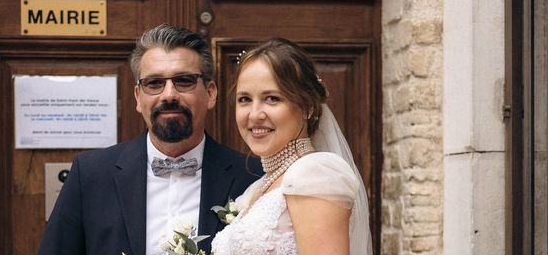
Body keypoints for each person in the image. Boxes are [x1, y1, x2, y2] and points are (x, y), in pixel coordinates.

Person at [38, 24, 261, 255]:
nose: (169, 94)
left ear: (211, 93)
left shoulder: (253, 177)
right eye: (154, 83)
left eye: (184, 81)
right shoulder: (89, 175)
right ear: (137, 97)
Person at [212, 38, 372, 255]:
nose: (254, 114)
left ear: (307, 107)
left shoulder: (315, 176)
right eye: (244, 99)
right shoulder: (258, 189)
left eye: (272, 98)